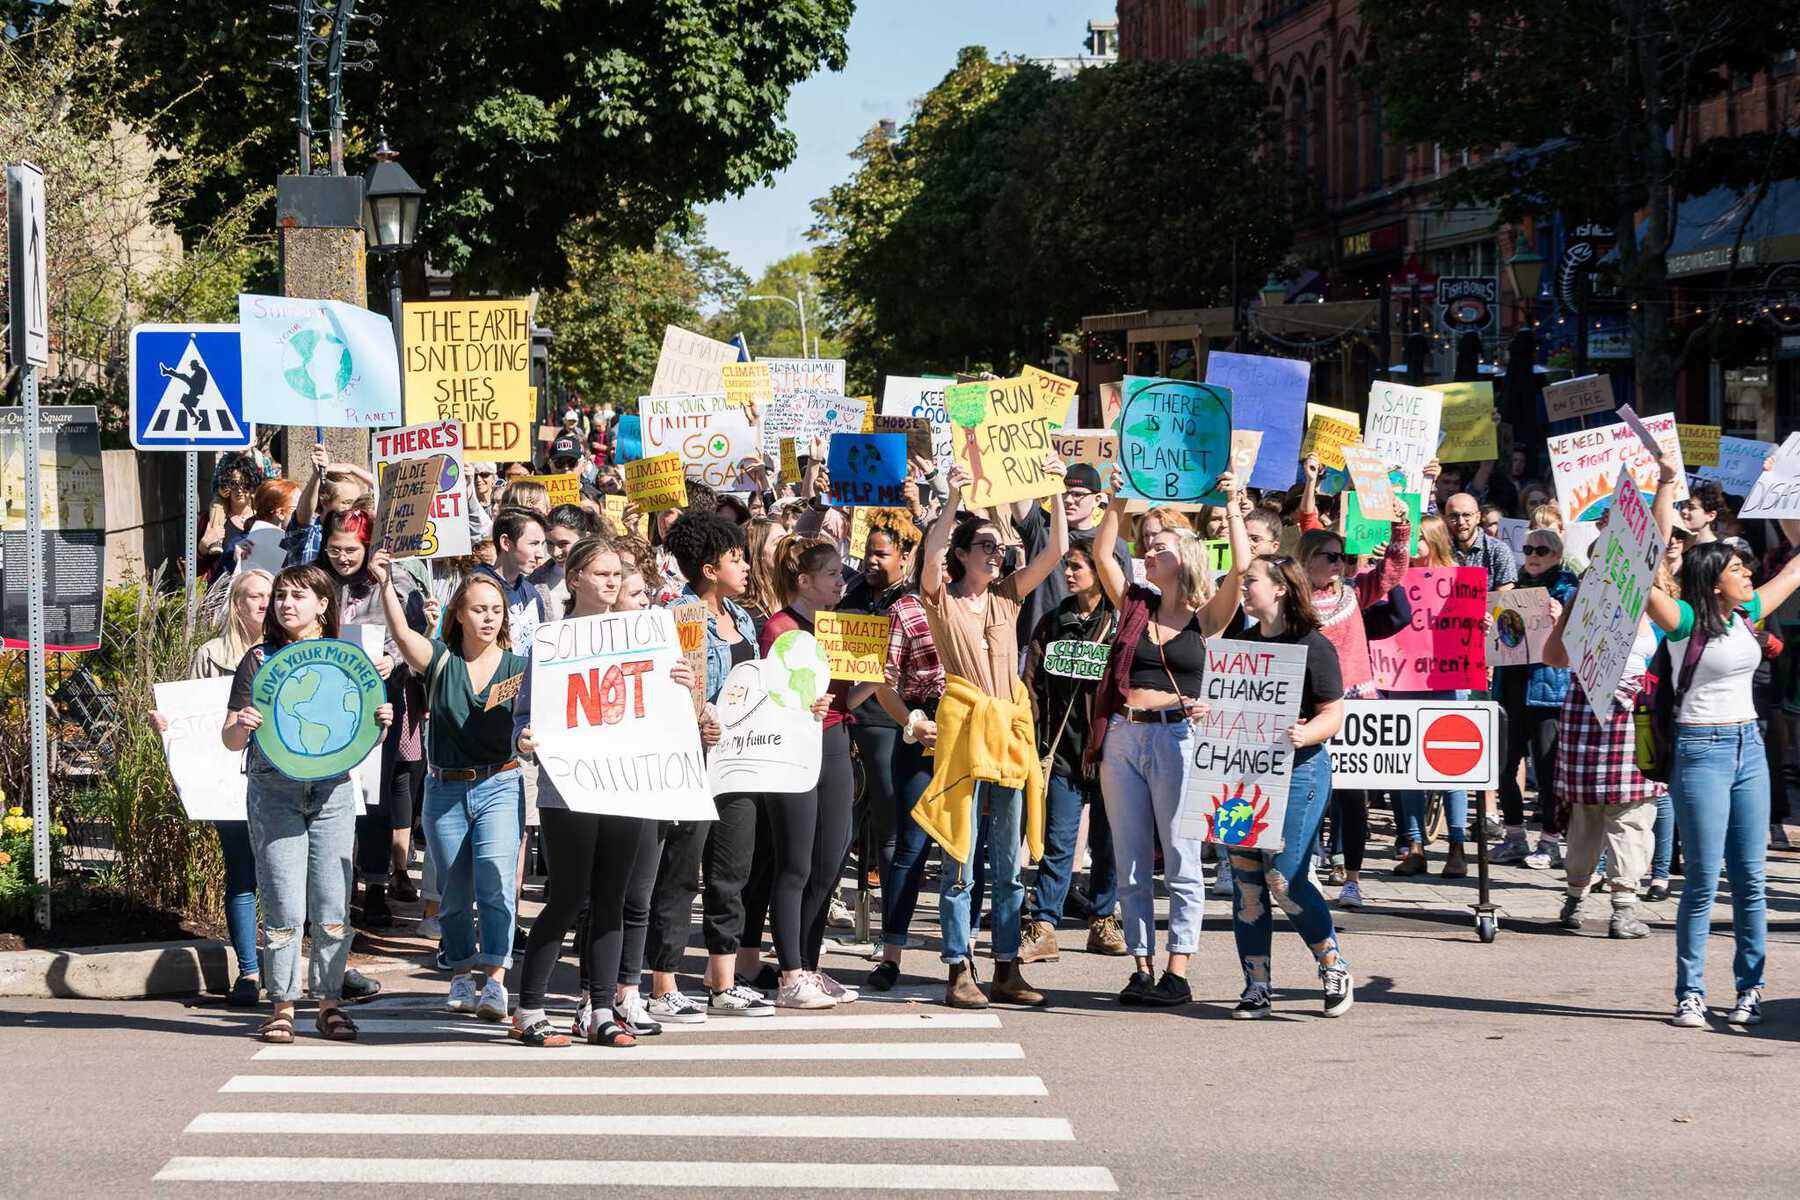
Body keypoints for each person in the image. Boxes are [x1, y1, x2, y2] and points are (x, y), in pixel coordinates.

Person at [508, 537, 698, 1047]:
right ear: (574, 579)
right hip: (569, 787)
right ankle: (529, 1008)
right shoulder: (552, 641)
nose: (613, 583)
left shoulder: (647, 632)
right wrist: (523, 738)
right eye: (602, 574)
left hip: (629, 781)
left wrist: (682, 680)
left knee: (612, 897)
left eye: (618, 574)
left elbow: (669, 708)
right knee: (569, 896)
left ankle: (597, 1009)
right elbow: (523, 715)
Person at [1087, 469, 1249, 1006]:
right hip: (1123, 738)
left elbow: (1243, 569)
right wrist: (1115, 500)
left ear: (1188, 553)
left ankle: (1178, 969)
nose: (1151, 550)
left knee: (1181, 857)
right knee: (1130, 859)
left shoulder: (1205, 619)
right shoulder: (1134, 605)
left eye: (1161, 544)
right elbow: (1103, 554)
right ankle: (1140, 965)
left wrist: (1230, 503)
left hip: (1177, 738)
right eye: (1149, 544)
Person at [913, 457, 1069, 1008]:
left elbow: (1053, 553)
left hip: (1007, 732)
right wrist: (953, 499)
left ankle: (1007, 966)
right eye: (984, 544)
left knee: (1008, 860)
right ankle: (958, 965)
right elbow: (930, 553)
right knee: (960, 856)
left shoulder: (1008, 595)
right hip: (963, 733)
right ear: (961, 554)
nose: (995, 551)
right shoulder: (941, 596)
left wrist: (1051, 486)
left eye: (999, 546)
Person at [1646, 485, 1800, 1028]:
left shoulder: (1748, 611)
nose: (1749, 575)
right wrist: (1666, 484)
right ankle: (1690, 992)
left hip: (1748, 748)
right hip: (1701, 750)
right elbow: (1644, 565)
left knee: (1751, 880)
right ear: (1715, 579)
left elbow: (1798, 565)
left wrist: (1786, 491)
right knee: (1704, 880)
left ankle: (1750, 989)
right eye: (1738, 569)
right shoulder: (1683, 621)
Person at [222, 565, 394, 1042]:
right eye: (280, 596)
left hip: (333, 788)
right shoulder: (259, 659)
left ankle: (330, 1003)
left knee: (332, 902)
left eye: (298, 596)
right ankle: (281, 1006)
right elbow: (230, 739)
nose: (285, 604)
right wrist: (243, 723)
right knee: (282, 902)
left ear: (323, 604)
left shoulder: (348, 659)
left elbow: (364, 735)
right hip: (273, 786)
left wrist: (382, 718)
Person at [372, 551, 527, 1022]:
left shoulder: (520, 666)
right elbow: (402, 635)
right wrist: (384, 584)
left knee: (497, 883)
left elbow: (540, 716)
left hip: (501, 782)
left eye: (496, 610)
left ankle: (496, 979)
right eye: (479, 608)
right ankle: (461, 970)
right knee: (455, 894)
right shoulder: (440, 660)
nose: (488, 617)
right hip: (445, 790)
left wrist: (530, 736)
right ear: (459, 613)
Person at [641, 513, 769, 1021]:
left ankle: (722, 979)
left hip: (738, 761)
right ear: (711, 568)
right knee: (680, 871)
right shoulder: (682, 616)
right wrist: (699, 716)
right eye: (737, 559)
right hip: (692, 759)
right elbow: (672, 684)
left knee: (731, 870)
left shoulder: (743, 618)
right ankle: (664, 981)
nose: (746, 567)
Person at [1226, 554, 1350, 1018]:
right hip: (1241, 774)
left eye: (1251, 580)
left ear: (1279, 588)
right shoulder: (1241, 640)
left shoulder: (1313, 645)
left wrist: (1307, 732)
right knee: (1247, 885)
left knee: (1284, 878)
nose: (1244, 587)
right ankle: (1256, 985)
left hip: (1299, 772)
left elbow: (1333, 713)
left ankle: (1333, 966)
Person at [149, 569, 275, 1005]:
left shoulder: (288, 652)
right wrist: (168, 724)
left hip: (279, 778)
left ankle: (287, 967)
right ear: (237, 603)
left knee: (282, 874)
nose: (264, 603)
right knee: (241, 872)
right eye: (254, 596)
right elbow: (197, 716)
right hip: (227, 778)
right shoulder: (212, 654)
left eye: (270, 595)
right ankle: (248, 972)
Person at [1294, 453, 1411, 903]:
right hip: (1310, 706)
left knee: (1351, 794)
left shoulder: (1354, 592)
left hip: (1357, 703)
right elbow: (1309, 524)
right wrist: (1310, 482)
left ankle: (1353, 879)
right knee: (1310, 791)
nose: (1340, 562)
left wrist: (1400, 526)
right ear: (1308, 560)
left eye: (1343, 556)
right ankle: (1307, 865)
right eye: (1331, 556)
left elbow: (1393, 570)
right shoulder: (1296, 596)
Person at [758, 534, 858, 1008]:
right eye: (833, 574)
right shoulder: (780, 628)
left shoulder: (837, 627)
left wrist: (873, 680)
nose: (842, 581)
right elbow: (771, 697)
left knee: (830, 862)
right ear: (804, 580)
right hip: (793, 748)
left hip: (836, 741)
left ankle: (812, 969)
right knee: (796, 863)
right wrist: (804, 706)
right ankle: (789, 973)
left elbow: (842, 700)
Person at [1019, 538, 1126, 963]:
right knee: (1059, 841)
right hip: (1063, 751)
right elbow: (1032, 685)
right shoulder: (1051, 622)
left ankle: (1103, 920)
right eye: (1067, 566)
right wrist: (1036, 737)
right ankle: (1044, 925)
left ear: (1101, 572)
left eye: (1077, 567)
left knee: (1109, 841)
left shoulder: (1121, 624)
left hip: (1112, 751)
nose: (1068, 574)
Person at [1492, 528, 1578, 867]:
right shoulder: (1513, 589)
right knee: (1503, 765)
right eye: (1528, 549)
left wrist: (1562, 618)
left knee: (1547, 770)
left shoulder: (1566, 590)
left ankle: (1550, 841)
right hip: (1510, 687)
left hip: (1547, 692)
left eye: (1541, 550)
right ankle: (1514, 835)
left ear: (1556, 555)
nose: (1533, 555)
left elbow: (1574, 638)